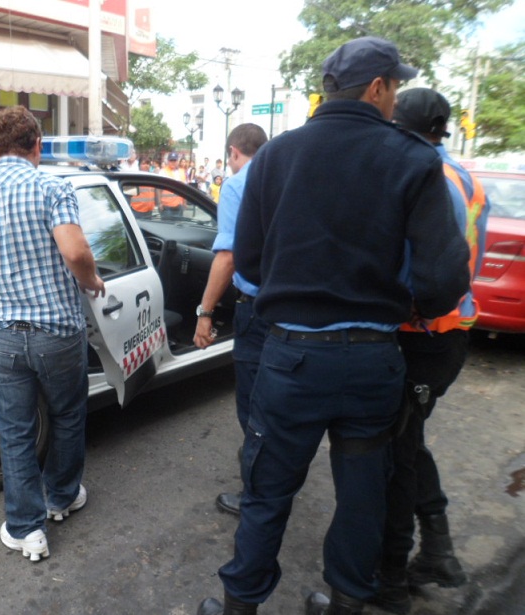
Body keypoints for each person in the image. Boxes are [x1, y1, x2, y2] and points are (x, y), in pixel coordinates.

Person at [197, 37, 470, 615]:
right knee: (362, 495)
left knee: (267, 491)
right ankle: (347, 603)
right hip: (372, 360)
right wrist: (407, 304)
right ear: (377, 88)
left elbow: (249, 263)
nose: (394, 99)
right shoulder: (414, 159)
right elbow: (444, 279)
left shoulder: (276, 156)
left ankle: (240, 605)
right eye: (394, 87)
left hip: (291, 358)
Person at [0, 106, 105, 563]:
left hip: (1, 335)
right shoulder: (53, 188)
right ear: (37, 145)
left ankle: (26, 529)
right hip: (57, 331)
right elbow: (75, 251)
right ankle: (62, 497)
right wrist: (91, 280)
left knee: (15, 431)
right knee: (67, 415)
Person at [371, 88, 489, 615]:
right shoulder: (464, 177)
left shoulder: (421, 175)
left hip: (421, 333)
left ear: (399, 127)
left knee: (398, 456)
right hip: (451, 332)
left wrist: (409, 306)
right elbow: (469, 262)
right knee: (409, 440)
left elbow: (428, 270)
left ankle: (392, 579)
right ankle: (437, 550)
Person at [193, 123, 269, 516]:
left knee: (252, 405)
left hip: (255, 308)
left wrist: (205, 313)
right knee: (277, 397)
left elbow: (227, 257)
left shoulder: (237, 186)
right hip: (291, 309)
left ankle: (257, 493)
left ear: (234, 152)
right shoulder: (285, 178)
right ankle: (275, 472)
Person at [158, 152, 187, 218]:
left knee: (178, 224)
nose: (173, 162)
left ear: (177, 161)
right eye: (171, 160)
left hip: (179, 205)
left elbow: (185, 189)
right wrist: (159, 203)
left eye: (174, 160)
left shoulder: (182, 172)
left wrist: (185, 202)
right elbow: (159, 189)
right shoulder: (163, 172)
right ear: (168, 161)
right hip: (166, 205)